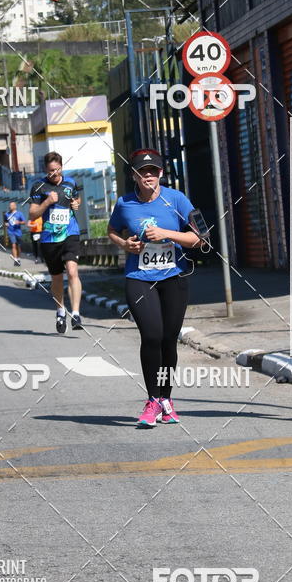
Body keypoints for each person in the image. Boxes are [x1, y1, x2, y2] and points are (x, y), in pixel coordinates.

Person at [107, 148, 205, 428]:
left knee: (168, 340)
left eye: (153, 171)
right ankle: (152, 400)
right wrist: (125, 244)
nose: (148, 176)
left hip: (174, 277)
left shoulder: (177, 199)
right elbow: (112, 230)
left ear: (161, 173)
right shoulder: (124, 204)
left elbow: (200, 238)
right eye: (142, 172)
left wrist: (166, 234)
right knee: (151, 336)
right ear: (134, 176)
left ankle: (166, 399)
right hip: (139, 277)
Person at [29, 152, 83, 333]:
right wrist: (47, 202)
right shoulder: (38, 186)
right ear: (45, 169)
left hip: (70, 233)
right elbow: (32, 214)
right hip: (50, 238)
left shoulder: (71, 182)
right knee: (57, 277)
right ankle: (60, 311)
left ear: (61, 167)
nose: (54, 173)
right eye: (51, 170)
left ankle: (76, 314)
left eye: (57, 169)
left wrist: (76, 204)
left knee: (72, 271)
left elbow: (76, 199)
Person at [3, 201, 25, 266]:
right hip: (11, 232)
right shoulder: (7, 214)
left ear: (15, 206)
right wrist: (6, 224)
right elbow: (5, 221)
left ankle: (18, 258)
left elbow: (24, 222)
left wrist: (19, 222)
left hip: (18, 232)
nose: (10, 207)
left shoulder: (19, 214)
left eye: (12, 205)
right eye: (10, 206)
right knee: (13, 245)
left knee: (18, 246)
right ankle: (15, 260)